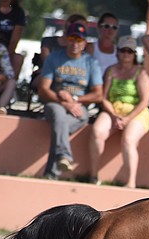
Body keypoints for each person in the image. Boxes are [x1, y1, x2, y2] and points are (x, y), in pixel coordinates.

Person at [37, 21, 103, 180]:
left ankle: (51, 174)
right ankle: (64, 156)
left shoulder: (91, 63)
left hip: (79, 108)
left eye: (79, 40)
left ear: (84, 42)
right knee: (59, 116)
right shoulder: (54, 58)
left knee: (60, 127)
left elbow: (98, 94)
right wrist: (64, 102)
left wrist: (73, 100)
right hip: (55, 103)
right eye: (72, 39)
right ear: (66, 39)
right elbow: (43, 89)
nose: (75, 43)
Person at [89, 36, 149, 188]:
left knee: (129, 140)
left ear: (134, 54)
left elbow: (145, 101)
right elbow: (104, 98)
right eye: (123, 50)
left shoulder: (141, 72)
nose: (126, 54)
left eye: (130, 51)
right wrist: (114, 115)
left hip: (137, 111)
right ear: (118, 52)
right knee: (97, 132)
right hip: (113, 109)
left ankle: (130, 182)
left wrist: (127, 119)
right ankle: (93, 175)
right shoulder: (111, 70)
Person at [31, 13, 87, 93]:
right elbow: (47, 61)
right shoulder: (48, 41)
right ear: (68, 24)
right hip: (46, 75)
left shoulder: (81, 48)